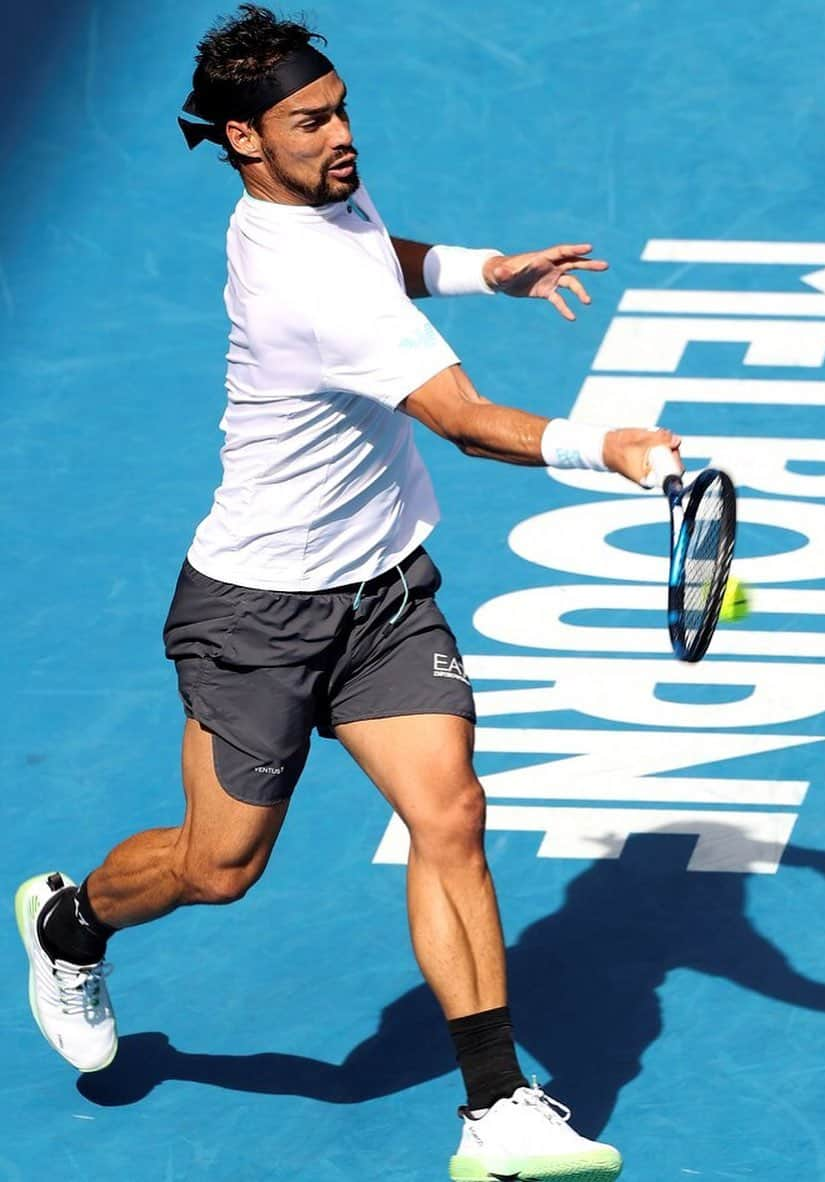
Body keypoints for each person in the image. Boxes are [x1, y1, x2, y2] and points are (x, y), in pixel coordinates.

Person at [15, 7, 679, 1179]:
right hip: (254, 618)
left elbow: (385, 253)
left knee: (451, 814)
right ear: (240, 139)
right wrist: (607, 448)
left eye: (341, 109)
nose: (342, 136)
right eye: (309, 121)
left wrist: (487, 271)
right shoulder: (305, 286)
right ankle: (69, 923)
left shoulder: (312, 199)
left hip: (378, 598)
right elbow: (469, 424)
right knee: (219, 870)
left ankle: (496, 1108)